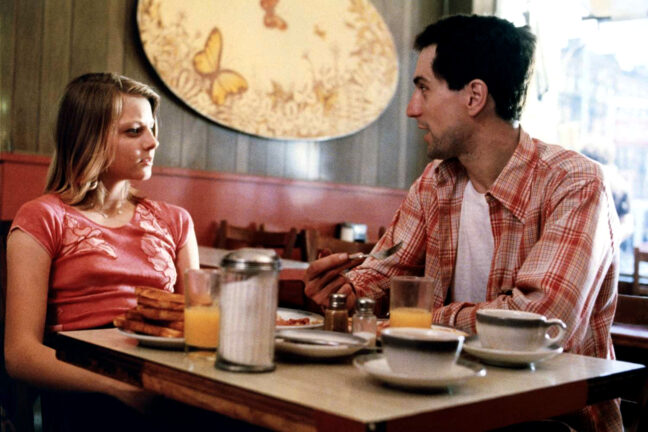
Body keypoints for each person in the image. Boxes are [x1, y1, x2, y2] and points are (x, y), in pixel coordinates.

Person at [304, 15, 620, 432]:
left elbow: (538, 322)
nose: (412, 109)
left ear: (474, 97)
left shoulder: (575, 183)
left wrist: (424, 319)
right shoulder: (435, 183)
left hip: (551, 418)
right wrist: (342, 295)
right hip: (445, 404)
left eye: (423, 88)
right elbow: (377, 279)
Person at [3, 73, 201, 431]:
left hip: (163, 375)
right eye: (134, 131)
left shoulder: (175, 221)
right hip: (85, 385)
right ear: (88, 138)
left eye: (152, 129)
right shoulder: (44, 217)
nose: (153, 142)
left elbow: (197, 327)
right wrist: (117, 386)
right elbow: (20, 354)